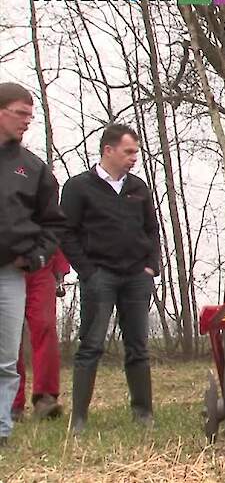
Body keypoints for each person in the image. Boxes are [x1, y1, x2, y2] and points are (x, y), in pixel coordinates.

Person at [60, 123, 160, 434]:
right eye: (129, 152)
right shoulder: (79, 187)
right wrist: (87, 271)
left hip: (136, 277)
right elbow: (66, 232)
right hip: (99, 276)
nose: (134, 158)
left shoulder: (138, 188)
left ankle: (143, 413)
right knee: (90, 346)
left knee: (138, 348)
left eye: (136, 152)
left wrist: (151, 267)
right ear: (108, 150)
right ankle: (79, 419)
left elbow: (152, 230)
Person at [0, 82, 65, 446]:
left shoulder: (32, 168)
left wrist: (39, 254)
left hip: (11, 273)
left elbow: (53, 221)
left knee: (6, 357)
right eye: (21, 113)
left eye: (31, 115)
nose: (28, 121)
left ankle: (2, 430)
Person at [11, 249, 70, 421]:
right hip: (7, 265)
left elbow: (55, 225)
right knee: (9, 336)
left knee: (45, 327)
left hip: (41, 264)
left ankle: (45, 397)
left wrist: (60, 266)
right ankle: (12, 402)